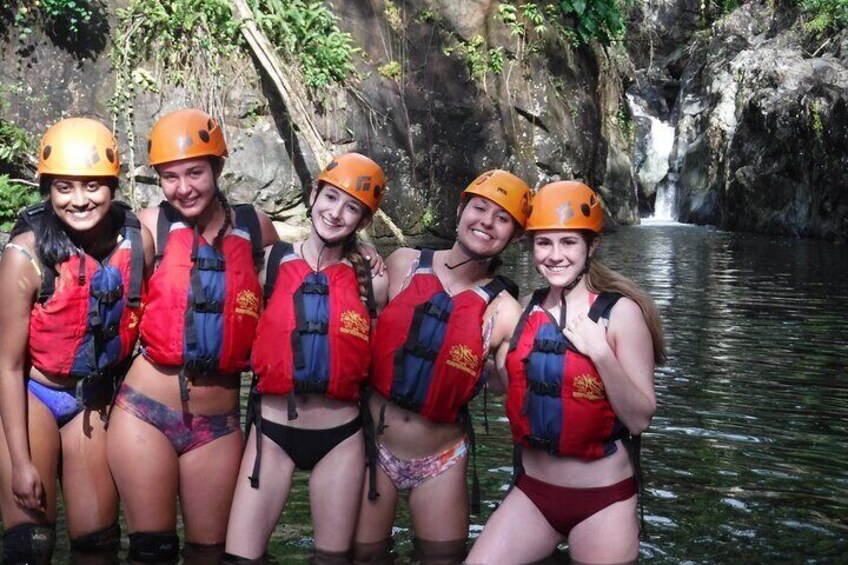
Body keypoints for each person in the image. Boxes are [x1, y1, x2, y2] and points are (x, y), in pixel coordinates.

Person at [105, 108, 279, 564]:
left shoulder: (255, 228)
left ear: (218, 168)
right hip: (145, 412)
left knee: (210, 552)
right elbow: (83, 249)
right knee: (152, 552)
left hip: (218, 426)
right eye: (170, 177)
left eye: (195, 173)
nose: (183, 188)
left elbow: (299, 281)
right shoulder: (148, 226)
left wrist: (363, 254)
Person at [465, 181, 666, 565]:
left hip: (602, 499)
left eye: (568, 243)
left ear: (591, 246)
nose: (555, 256)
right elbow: (511, 385)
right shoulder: (524, 309)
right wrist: (473, 363)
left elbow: (639, 418)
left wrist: (600, 352)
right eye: (544, 243)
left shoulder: (620, 313)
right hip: (532, 494)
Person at [354, 170, 531, 564]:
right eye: (479, 208)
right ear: (460, 209)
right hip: (373, 444)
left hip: (441, 459)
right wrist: (361, 249)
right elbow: (358, 316)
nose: (486, 221)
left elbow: (510, 387)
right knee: (363, 556)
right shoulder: (403, 263)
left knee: (443, 559)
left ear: (516, 236)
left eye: (502, 218)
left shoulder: (505, 310)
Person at [0, 117, 154, 564]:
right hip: (35, 396)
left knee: (98, 546)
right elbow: (7, 365)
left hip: (94, 400)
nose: (80, 199)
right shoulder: (24, 257)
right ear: (48, 190)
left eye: (92, 186)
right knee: (29, 546)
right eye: (64, 187)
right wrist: (20, 460)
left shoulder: (138, 242)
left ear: (112, 185)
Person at [223, 152, 390, 563]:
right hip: (273, 434)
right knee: (239, 558)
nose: (336, 213)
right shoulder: (272, 262)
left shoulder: (374, 278)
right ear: (313, 194)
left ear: (363, 222)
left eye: (352, 208)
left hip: (341, 438)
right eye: (330, 198)